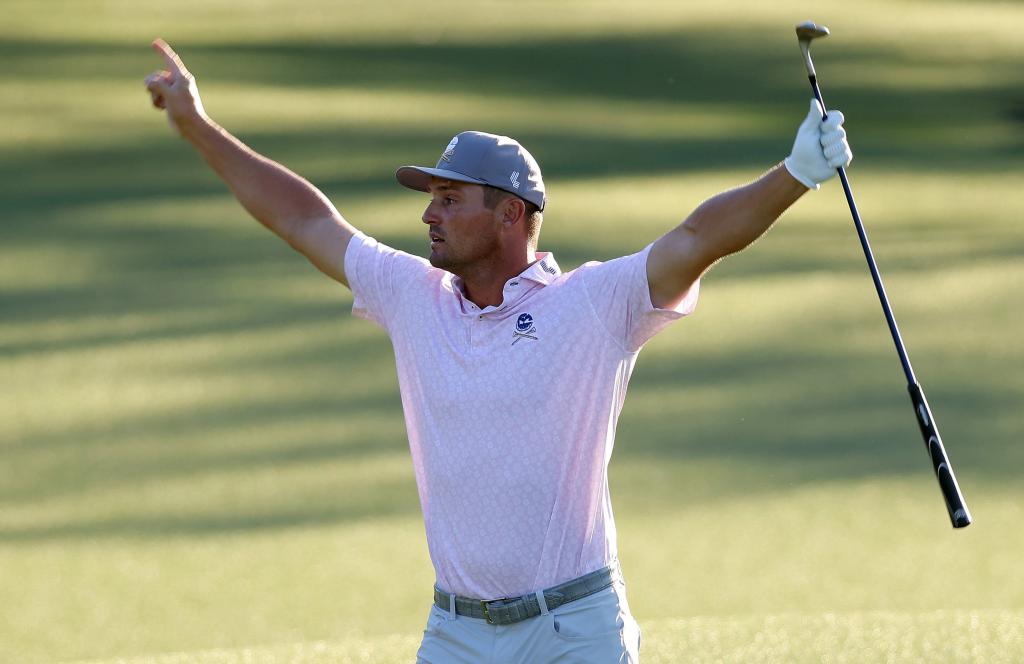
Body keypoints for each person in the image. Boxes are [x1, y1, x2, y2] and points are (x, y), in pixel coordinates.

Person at [144, 38, 851, 664]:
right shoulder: (410, 295)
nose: (428, 214)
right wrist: (196, 126)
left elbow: (698, 239)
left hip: (574, 630)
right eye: (432, 199)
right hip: (455, 634)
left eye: (450, 199)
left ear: (510, 213)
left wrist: (795, 171)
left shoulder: (593, 304)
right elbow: (303, 217)